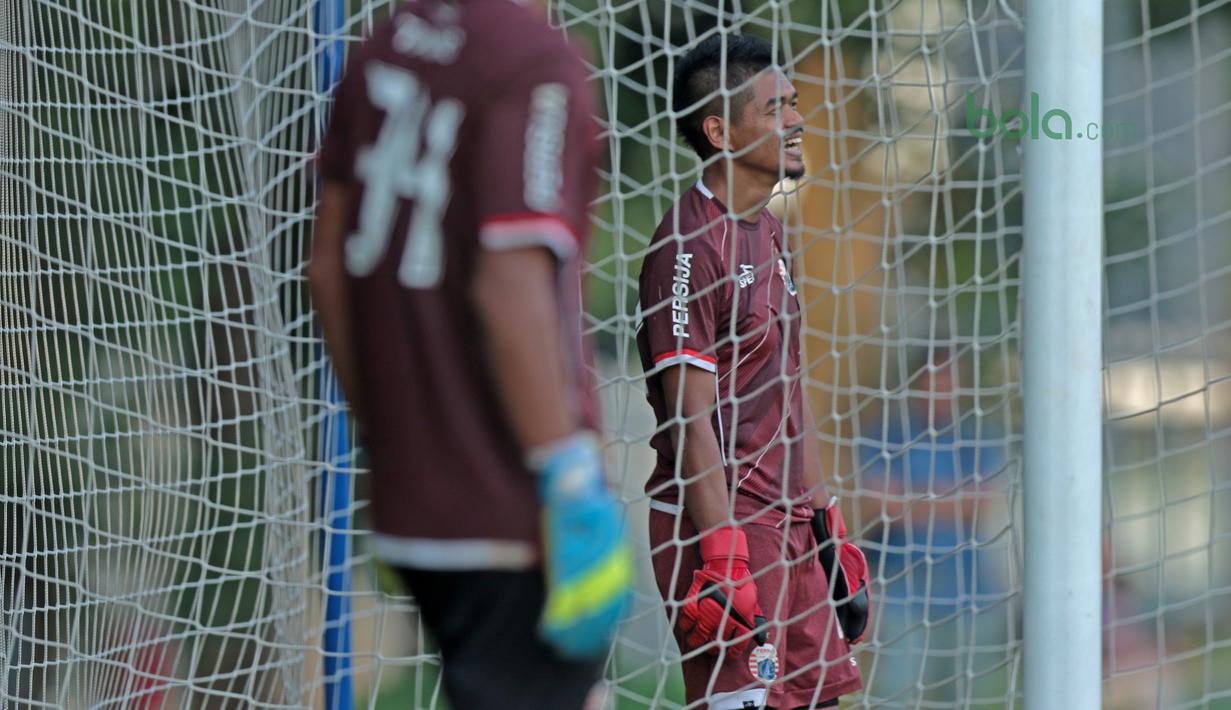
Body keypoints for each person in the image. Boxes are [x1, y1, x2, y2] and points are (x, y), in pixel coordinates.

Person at [308, 1, 633, 708]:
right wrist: (570, 476)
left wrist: (389, 434)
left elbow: (326, 269)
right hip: (513, 505)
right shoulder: (536, 60)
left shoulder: (382, 46)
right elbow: (507, 287)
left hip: (414, 509)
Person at [636, 34, 866, 710]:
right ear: (719, 130)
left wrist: (826, 516)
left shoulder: (770, 230)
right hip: (725, 522)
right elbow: (689, 418)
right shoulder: (685, 248)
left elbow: (787, 385)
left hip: (791, 523)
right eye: (774, 109)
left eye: (793, 103)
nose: (795, 120)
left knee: (823, 700)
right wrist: (723, 554)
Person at [857, 347, 1012, 706]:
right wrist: (950, 498)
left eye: (949, 381)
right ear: (916, 383)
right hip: (900, 592)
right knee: (894, 697)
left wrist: (911, 497)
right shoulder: (886, 434)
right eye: (933, 381)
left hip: (970, 593)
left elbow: (980, 503)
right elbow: (881, 506)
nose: (940, 391)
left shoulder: (977, 435)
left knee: (970, 699)